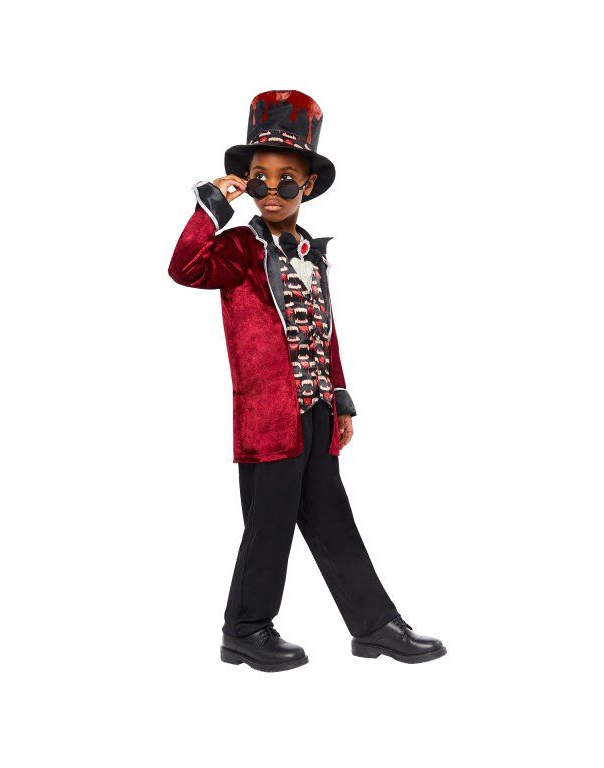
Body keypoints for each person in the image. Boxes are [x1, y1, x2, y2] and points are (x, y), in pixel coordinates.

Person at [168, 90, 446, 672]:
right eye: (259, 179)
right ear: (246, 182)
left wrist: (339, 398)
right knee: (268, 526)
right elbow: (185, 267)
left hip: (315, 410)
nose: (271, 190)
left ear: (309, 186)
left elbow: (325, 331)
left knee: (333, 519)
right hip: (269, 416)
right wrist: (213, 204)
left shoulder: (309, 252)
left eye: (287, 180)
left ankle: (374, 625)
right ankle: (245, 629)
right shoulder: (240, 249)